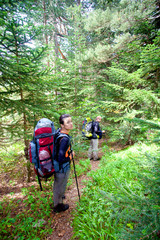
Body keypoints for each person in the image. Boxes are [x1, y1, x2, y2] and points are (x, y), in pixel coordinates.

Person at [53, 114, 75, 213]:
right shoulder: (64, 138)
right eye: (68, 122)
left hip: (57, 166)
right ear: (62, 125)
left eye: (71, 121)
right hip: (62, 167)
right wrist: (70, 156)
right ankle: (58, 205)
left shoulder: (59, 133)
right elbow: (61, 157)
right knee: (60, 184)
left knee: (58, 183)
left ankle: (58, 199)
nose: (71, 124)